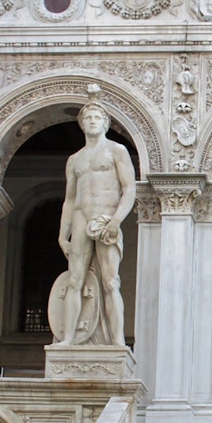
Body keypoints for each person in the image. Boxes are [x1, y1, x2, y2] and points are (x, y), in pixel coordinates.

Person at [55, 89, 136, 346]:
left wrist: (116, 220)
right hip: (80, 219)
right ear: (81, 124)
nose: (92, 121)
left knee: (111, 282)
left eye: (96, 117)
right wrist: (62, 234)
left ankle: (118, 341)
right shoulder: (74, 160)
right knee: (75, 280)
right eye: (88, 118)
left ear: (105, 123)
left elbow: (129, 188)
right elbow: (69, 199)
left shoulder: (116, 151)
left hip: (105, 219)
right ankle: (68, 338)